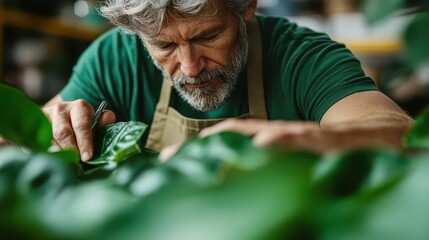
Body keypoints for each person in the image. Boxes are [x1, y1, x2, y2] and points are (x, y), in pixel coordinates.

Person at [42, 0, 413, 162]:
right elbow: (45, 124)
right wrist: (56, 123)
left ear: (246, 7)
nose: (189, 67)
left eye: (207, 37)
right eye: (164, 45)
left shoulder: (303, 57)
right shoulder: (114, 58)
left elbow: (403, 133)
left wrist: (313, 138)